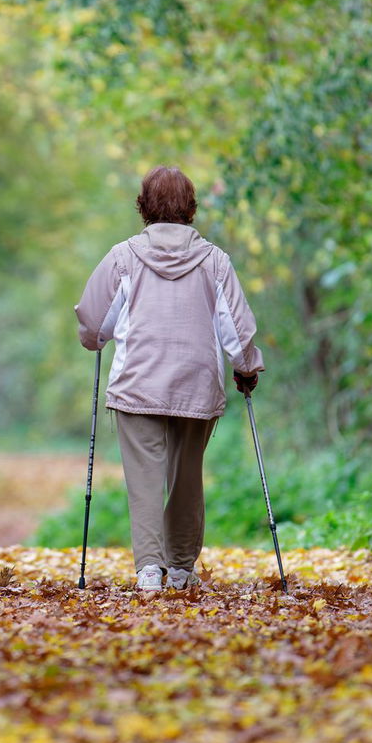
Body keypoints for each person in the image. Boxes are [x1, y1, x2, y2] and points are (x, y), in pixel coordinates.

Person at [75, 166, 264, 593]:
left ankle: (148, 571)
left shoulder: (122, 256)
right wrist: (246, 366)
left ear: (143, 205)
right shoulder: (215, 260)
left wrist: (93, 340)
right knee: (186, 476)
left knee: (144, 479)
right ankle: (179, 568)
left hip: (138, 384)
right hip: (196, 384)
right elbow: (236, 327)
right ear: (191, 207)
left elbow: (94, 321)